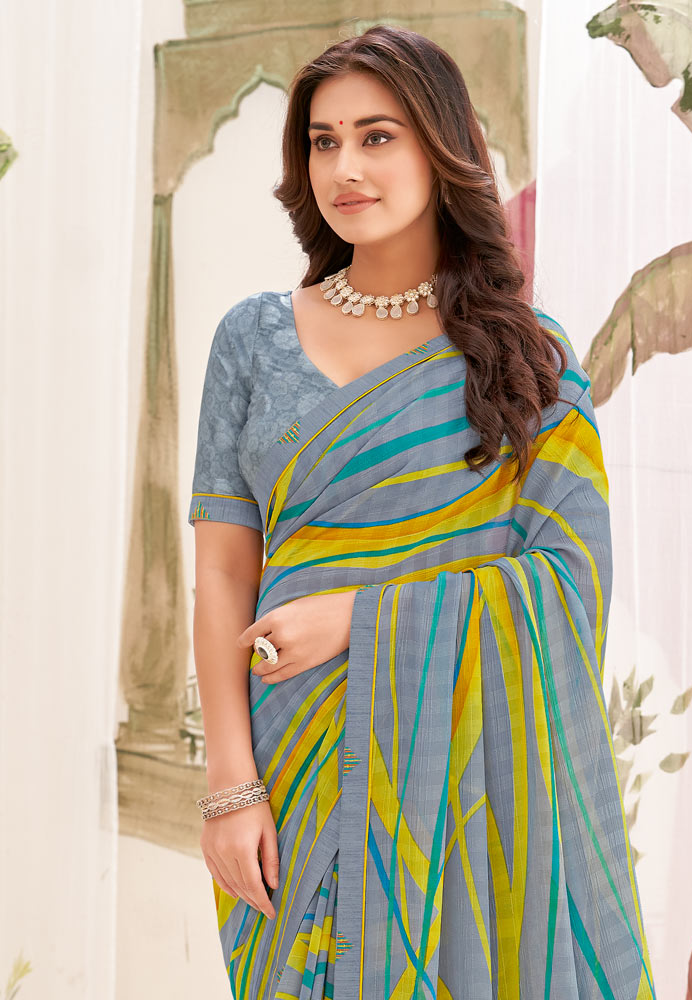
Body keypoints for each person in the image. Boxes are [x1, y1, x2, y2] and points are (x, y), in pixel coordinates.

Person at [187, 23, 656, 1000]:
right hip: (292, 760)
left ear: (442, 149)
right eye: (323, 141)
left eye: (377, 136)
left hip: (462, 783)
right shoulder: (253, 339)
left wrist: (358, 619)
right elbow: (223, 571)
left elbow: (568, 583)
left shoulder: (526, 358)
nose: (345, 168)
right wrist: (230, 785)